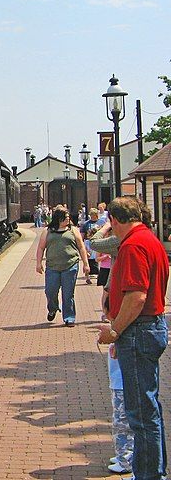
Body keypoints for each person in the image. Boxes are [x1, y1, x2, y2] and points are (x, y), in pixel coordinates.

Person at [97, 197, 169, 480]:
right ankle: (152, 471)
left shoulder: (133, 246)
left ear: (114, 220)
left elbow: (136, 297)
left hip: (138, 331)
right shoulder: (149, 240)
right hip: (148, 328)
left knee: (140, 413)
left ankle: (148, 475)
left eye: (111, 224)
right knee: (148, 408)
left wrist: (114, 330)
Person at [36, 207, 90, 326]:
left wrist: (86, 264)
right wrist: (38, 263)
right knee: (50, 292)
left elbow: (81, 247)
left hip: (70, 265)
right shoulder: (48, 230)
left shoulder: (73, 230)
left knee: (68, 293)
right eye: (65, 217)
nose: (68, 219)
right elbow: (41, 247)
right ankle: (53, 308)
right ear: (58, 218)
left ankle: (69, 317)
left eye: (68, 217)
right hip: (52, 267)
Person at [107, 344, 135, 474]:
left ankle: (126, 461)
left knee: (123, 424)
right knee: (119, 422)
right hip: (118, 383)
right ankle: (121, 456)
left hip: (123, 384)